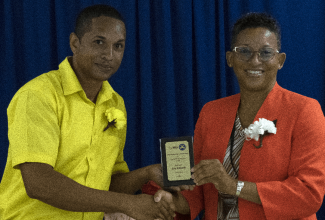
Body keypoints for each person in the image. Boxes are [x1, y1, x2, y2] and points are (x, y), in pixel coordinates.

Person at [0, 4, 176, 220]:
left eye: (118, 46)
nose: (109, 55)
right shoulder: (38, 95)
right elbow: (39, 183)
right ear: (75, 43)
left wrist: (147, 174)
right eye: (99, 42)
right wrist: (128, 204)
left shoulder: (115, 103)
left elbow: (107, 184)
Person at [156, 12, 325, 219]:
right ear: (230, 58)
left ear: (280, 60)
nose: (255, 61)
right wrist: (172, 201)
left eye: (265, 53)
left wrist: (233, 186)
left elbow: (308, 194)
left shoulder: (305, 110)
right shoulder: (211, 112)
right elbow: (199, 191)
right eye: (244, 51)